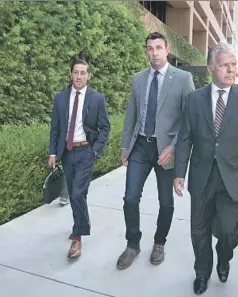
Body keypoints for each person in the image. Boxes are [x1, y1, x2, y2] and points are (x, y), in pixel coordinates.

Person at [173, 42, 238, 295]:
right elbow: (185, 138)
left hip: (235, 178)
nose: (231, 69)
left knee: (228, 231)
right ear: (211, 68)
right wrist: (179, 172)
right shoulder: (194, 100)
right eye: (225, 65)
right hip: (202, 176)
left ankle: (224, 257)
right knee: (199, 229)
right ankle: (202, 273)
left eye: (234, 64)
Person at [117, 32, 195, 270]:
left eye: (158, 48)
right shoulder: (138, 79)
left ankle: (159, 243)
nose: (154, 53)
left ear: (167, 49)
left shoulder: (183, 78)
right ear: (146, 51)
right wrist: (124, 145)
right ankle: (132, 244)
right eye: (150, 48)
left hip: (166, 150)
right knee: (130, 198)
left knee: (166, 202)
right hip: (140, 146)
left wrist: (174, 146)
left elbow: (189, 119)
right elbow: (131, 114)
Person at [48, 58, 110, 258]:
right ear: (71, 74)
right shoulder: (60, 98)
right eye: (76, 72)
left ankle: (77, 236)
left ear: (88, 76)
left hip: (85, 152)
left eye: (83, 73)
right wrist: (53, 153)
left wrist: (96, 150)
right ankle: (85, 220)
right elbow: (55, 129)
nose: (79, 76)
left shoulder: (97, 98)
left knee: (75, 194)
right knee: (79, 194)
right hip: (67, 152)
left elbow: (105, 127)